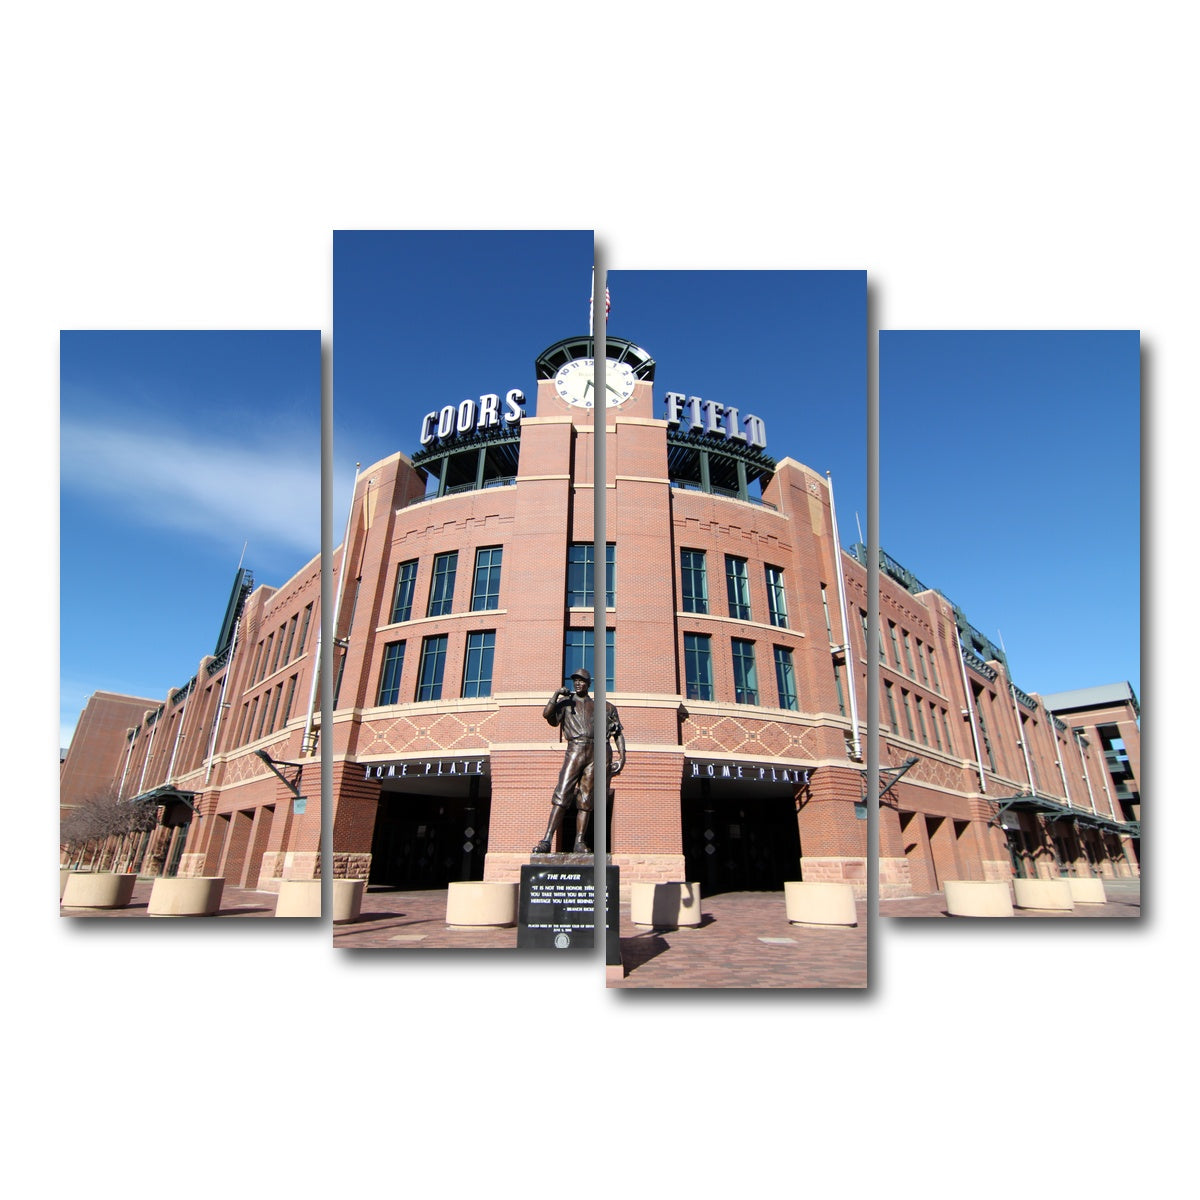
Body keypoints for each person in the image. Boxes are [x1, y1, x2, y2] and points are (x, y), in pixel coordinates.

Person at [533, 667, 625, 854]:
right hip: (575, 749)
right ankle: (547, 840)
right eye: (575, 680)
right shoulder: (566, 703)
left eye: (582, 680)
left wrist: (623, 757)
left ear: (588, 684)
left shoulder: (605, 707)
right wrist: (556, 695)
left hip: (598, 751)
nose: (577, 683)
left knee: (586, 798)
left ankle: (579, 841)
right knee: (562, 793)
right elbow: (547, 715)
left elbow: (618, 734)